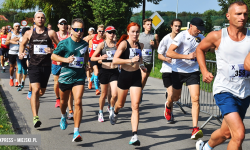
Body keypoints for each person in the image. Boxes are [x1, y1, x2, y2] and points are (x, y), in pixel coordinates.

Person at [196, 2, 250, 150]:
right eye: (238, 14)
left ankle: (205, 147)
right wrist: (204, 71)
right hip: (224, 90)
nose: (242, 17)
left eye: (245, 14)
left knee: (226, 133)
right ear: (228, 16)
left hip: (244, 91)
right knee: (238, 135)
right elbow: (200, 49)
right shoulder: (217, 36)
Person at [19, 10, 59, 128]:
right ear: (34, 20)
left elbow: (60, 46)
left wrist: (52, 51)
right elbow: (22, 44)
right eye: (38, 17)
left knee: (41, 92)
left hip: (46, 66)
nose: (40, 19)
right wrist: (21, 53)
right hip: (33, 65)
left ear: (44, 20)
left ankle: (34, 98)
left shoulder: (51, 33)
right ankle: (35, 117)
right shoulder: (29, 33)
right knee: (35, 90)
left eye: (42, 17)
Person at [167, 17, 205, 140]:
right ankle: (168, 105)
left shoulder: (201, 37)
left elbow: (209, 46)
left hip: (193, 71)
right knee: (175, 97)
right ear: (191, 26)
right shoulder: (181, 36)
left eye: (201, 29)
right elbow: (169, 53)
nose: (199, 31)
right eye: (198, 28)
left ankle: (195, 128)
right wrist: (186, 56)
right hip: (178, 71)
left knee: (195, 99)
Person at [51, 18, 89, 142]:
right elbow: (53, 55)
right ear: (71, 29)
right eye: (76, 29)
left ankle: (76, 131)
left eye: (81, 29)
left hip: (79, 76)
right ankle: (63, 116)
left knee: (78, 102)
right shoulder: (64, 43)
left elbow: (85, 55)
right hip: (65, 76)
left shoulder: (84, 43)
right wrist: (66, 60)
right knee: (63, 102)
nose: (79, 32)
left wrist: (86, 64)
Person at [112, 22, 147, 146]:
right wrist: (130, 60)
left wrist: (142, 67)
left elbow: (140, 60)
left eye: (137, 31)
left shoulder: (140, 45)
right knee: (120, 104)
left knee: (135, 106)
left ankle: (134, 135)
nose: (135, 34)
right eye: (133, 31)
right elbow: (115, 60)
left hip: (136, 77)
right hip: (125, 76)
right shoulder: (124, 44)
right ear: (128, 32)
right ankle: (115, 112)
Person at [91, 26, 119, 123]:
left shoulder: (117, 45)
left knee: (115, 94)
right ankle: (100, 112)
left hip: (114, 71)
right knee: (103, 94)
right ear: (106, 34)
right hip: (104, 71)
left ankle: (111, 109)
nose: (111, 34)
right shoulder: (102, 45)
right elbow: (92, 58)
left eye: (113, 32)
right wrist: (101, 58)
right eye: (109, 32)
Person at [157, 19, 182, 123]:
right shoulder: (166, 39)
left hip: (179, 70)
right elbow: (159, 55)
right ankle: (169, 110)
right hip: (167, 69)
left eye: (179, 26)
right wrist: (166, 59)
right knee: (171, 93)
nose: (177, 28)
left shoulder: (182, 38)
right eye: (175, 26)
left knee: (176, 97)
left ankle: (168, 106)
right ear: (171, 26)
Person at [139, 18, 159, 101]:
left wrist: (154, 44)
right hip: (140, 60)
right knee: (143, 77)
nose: (149, 26)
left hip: (149, 61)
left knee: (145, 78)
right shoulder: (139, 35)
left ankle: (141, 90)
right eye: (147, 24)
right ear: (144, 26)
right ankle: (139, 92)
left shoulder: (154, 36)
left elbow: (158, 48)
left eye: (150, 24)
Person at [52, 18, 70, 108]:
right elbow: (50, 46)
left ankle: (68, 103)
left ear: (67, 25)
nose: (63, 25)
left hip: (67, 62)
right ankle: (57, 98)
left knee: (68, 82)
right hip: (56, 61)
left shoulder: (70, 35)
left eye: (65, 23)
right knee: (56, 82)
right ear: (58, 25)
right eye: (61, 24)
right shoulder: (54, 35)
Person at [85, 25, 105, 95]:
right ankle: (97, 89)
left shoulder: (104, 38)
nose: (101, 33)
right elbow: (85, 39)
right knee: (96, 72)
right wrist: (86, 46)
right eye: (99, 31)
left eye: (102, 31)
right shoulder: (93, 36)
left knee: (97, 72)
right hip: (92, 57)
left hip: (100, 58)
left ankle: (90, 80)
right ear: (97, 31)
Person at [5, 23, 22, 87]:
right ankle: (11, 78)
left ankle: (17, 81)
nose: (17, 27)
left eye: (18, 26)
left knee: (18, 67)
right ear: (13, 27)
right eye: (16, 26)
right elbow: (6, 42)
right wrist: (15, 40)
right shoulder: (10, 34)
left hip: (19, 52)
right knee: (12, 67)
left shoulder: (21, 34)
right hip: (12, 52)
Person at [17, 27, 30, 91]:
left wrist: (27, 47)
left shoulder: (31, 39)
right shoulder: (21, 39)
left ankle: (23, 81)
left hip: (27, 56)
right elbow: (22, 45)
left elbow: (30, 48)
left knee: (25, 70)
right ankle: (19, 84)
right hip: (20, 56)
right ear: (23, 34)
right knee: (19, 69)